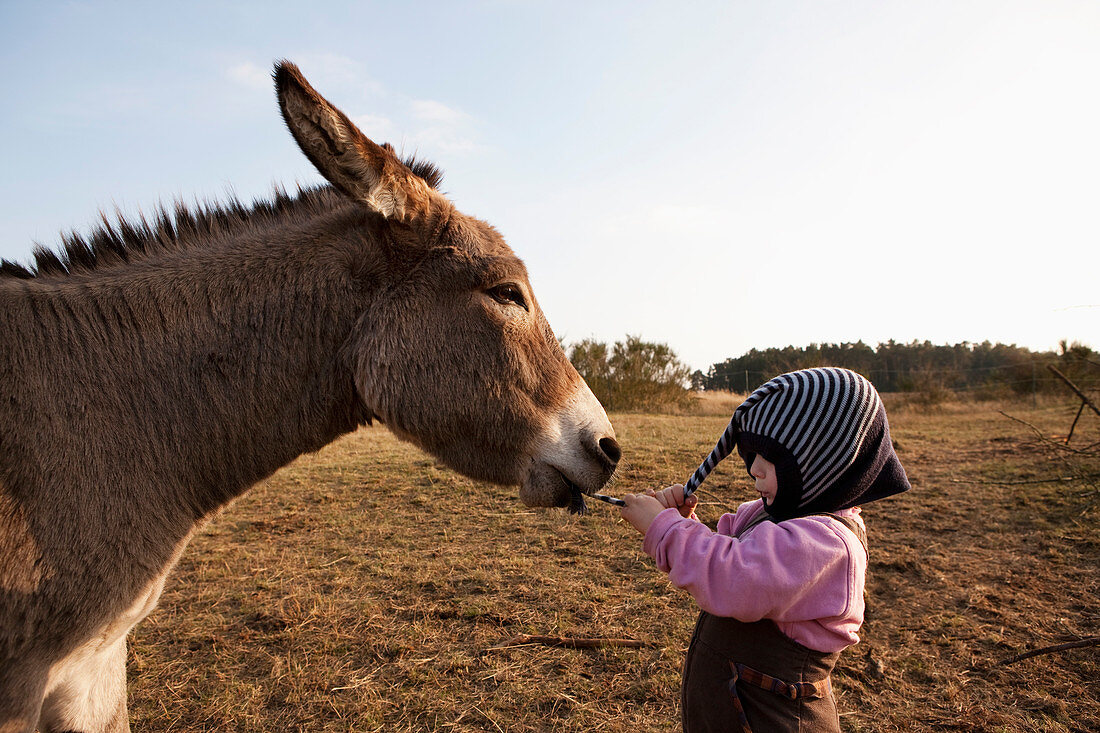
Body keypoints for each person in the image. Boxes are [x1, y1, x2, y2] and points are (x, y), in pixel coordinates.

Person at [619, 367, 911, 732]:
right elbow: (720, 555)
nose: (753, 469)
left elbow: (732, 578)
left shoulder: (827, 545)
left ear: (823, 461)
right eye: (750, 452)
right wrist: (685, 524)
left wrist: (665, 529)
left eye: (769, 455)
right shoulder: (774, 515)